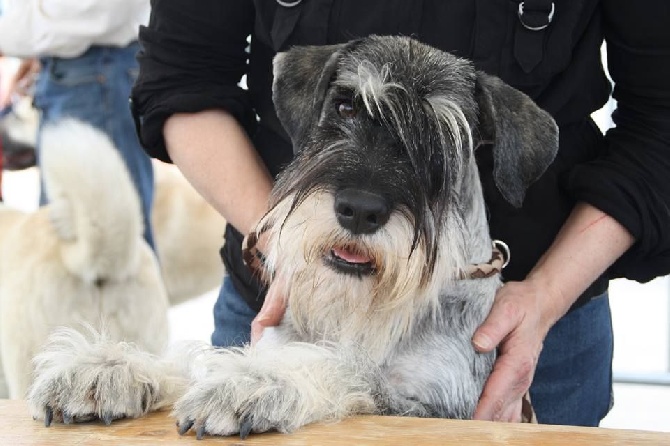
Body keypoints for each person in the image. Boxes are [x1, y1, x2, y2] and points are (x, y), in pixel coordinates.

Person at [130, 0, 670, 427]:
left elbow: (661, 120)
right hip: (281, 300)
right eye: (344, 105)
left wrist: (547, 295)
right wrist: (281, 243)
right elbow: (181, 77)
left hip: (522, 332)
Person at [0, 0, 156, 249]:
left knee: (113, 247)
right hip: (79, 67)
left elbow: (93, 9)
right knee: (68, 244)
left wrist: (18, 35)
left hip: (95, 71)